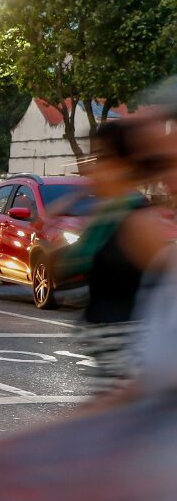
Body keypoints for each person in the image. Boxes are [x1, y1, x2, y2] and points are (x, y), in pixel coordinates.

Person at [68, 121, 167, 393]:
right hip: (112, 377)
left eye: (101, 158)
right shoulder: (106, 214)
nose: (91, 167)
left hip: (133, 380)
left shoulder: (139, 221)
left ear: (126, 165)